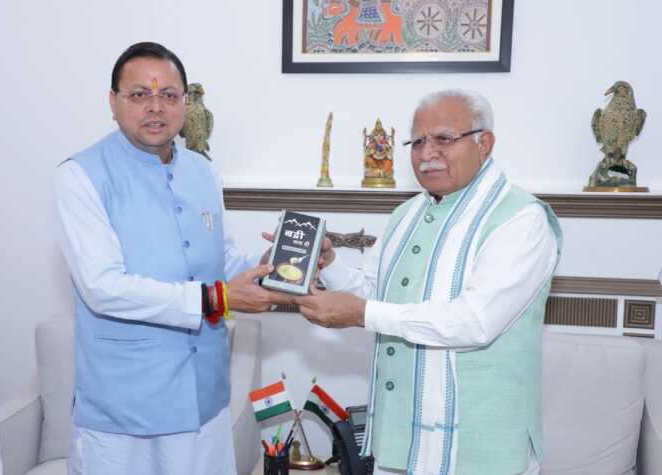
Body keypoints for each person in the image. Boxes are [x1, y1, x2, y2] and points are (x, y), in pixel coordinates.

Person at [293, 89, 563, 475]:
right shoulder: (407, 213)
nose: (427, 153)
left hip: (479, 449)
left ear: (484, 143)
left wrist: (362, 314)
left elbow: (475, 321)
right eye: (417, 142)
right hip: (399, 440)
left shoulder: (521, 219)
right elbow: (374, 292)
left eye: (444, 139)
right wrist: (330, 264)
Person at [52, 42, 290, 475]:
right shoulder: (80, 175)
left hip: (204, 401)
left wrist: (273, 265)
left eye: (169, 94)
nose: (155, 106)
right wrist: (215, 299)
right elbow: (103, 287)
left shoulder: (203, 171)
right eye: (139, 94)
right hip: (124, 412)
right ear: (113, 102)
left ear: (185, 102)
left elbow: (221, 260)